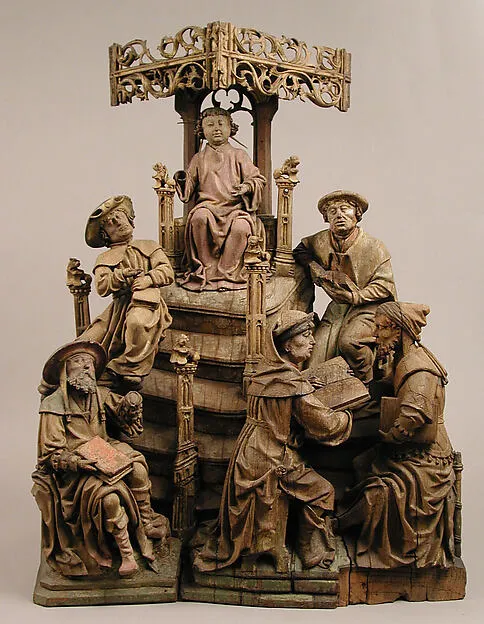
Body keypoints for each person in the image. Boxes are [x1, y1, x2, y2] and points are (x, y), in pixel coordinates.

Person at [194, 310, 352, 573]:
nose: (312, 341)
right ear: (287, 345)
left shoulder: (265, 374)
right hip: (273, 457)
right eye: (305, 336)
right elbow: (324, 425)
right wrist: (346, 416)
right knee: (323, 491)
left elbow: (281, 398)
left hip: (250, 451)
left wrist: (304, 383)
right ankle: (310, 550)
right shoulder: (291, 384)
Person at [32, 341, 170, 578]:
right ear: (65, 370)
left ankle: (146, 521)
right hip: (76, 467)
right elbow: (50, 454)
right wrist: (77, 463)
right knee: (108, 499)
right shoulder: (53, 405)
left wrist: (131, 404)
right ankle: (126, 554)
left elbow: (123, 414)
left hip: (105, 449)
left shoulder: (100, 394)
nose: (86, 367)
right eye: (78, 362)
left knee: (138, 467)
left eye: (89, 362)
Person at [336, 302, 456, 569]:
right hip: (408, 449)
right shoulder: (404, 358)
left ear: (397, 331)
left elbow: (414, 415)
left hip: (424, 460)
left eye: (380, 328)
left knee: (380, 490)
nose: (375, 334)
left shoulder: (419, 369)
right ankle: (345, 523)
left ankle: (345, 525)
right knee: (359, 463)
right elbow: (391, 385)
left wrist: (391, 435)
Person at [293, 190, 396, 384]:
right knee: (315, 352)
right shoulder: (321, 240)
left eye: (345, 209)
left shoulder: (374, 247)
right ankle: (321, 393)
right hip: (339, 307)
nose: (339, 215)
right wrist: (316, 268)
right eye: (332, 211)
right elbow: (300, 250)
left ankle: (365, 385)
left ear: (357, 214)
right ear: (326, 218)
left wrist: (356, 297)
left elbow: (385, 286)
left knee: (350, 342)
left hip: (370, 307)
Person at [80, 195, 174, 388]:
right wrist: (122, 275)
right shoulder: (104, 258)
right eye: (111, 223)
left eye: (120, 216)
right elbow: (102, 286)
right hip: (117, 309)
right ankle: (60, 380)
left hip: (146, 303)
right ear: (105, 234)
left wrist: (149, 279)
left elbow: (166, 271)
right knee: (86, 342)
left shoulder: (149, 246)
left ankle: (129, 368)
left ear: (130, 219)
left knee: (137, 323)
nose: (118, 223)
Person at [174, 107, 266, 291]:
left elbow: (257, 179)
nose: (216, 129)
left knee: (241, 228)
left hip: (236, 210)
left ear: (230, 128)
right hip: (208, 207)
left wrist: (247, 186)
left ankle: (227, 273)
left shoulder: (239, 155)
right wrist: (182, 179)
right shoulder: (199, 158)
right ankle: (207, 270)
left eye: (221, 124)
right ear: (202, 130)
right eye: (210, 125)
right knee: (199, 218)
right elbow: (189, 186)